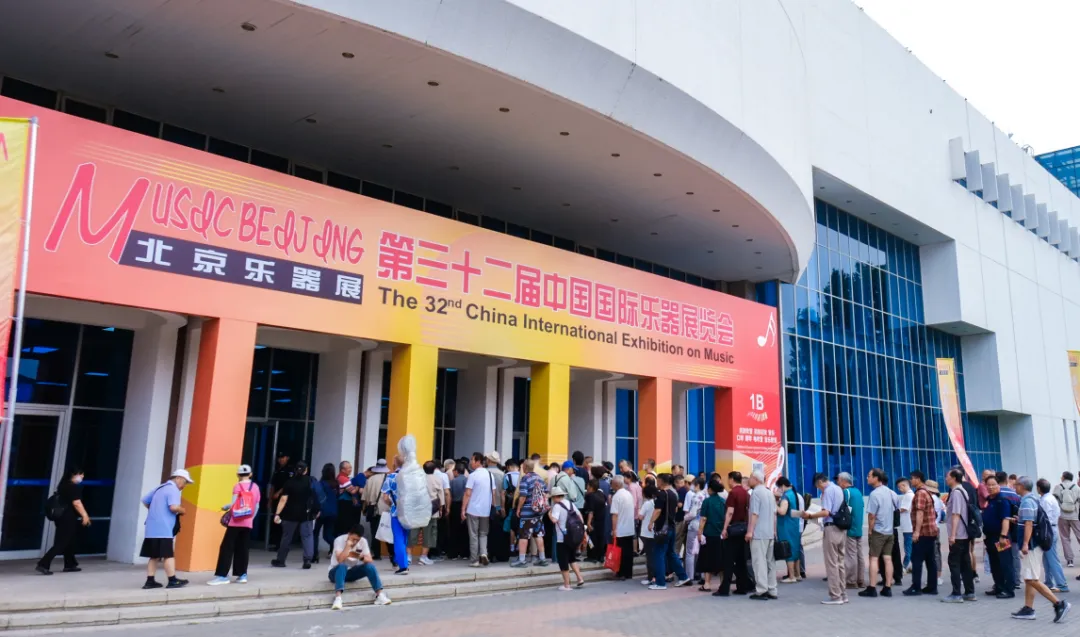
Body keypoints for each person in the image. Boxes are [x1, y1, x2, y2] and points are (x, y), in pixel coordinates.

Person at [1011, 476, 1071, 623]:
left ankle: (1059, 604)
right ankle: (1028, 608)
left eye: (1016, 484)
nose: (1014, 487)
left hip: (1031, 546)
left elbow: (1029, 524)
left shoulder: (1027, 501)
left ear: (1022, 486)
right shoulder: (1032, 499)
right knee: (1030, 577)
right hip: (1034, 544)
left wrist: (1025, 543)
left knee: (1032, 579)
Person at [208, 464, 261, 585]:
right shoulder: (255, 487)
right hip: (247, 522)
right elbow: (257, 505)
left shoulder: (238, 486)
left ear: (238, 475)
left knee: (227, 547)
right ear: (250, 474)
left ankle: (222, 575)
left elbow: (233, 505)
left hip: (235, 522)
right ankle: (242, 575)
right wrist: (250, 519)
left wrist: (226, 508)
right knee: (243, 548)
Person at [140, 469, 193, 589]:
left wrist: (156, 510)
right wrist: (182, 510)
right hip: (164, 528)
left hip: (151, 528)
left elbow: (145, 500)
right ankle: (172, 580)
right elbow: (173, 507)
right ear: (178, 478)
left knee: (154, 555)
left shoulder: (159, 488)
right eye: (185, 482)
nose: (184, 486)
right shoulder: (173, 489)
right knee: (168, 555)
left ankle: (150, 581)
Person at [801, 472, 847, 605]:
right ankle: (843, 594)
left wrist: (810, 516)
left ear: (820, 482)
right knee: (840, 562)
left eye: (818, 487)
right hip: (841, 528)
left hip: (831, 528)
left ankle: (835, 596)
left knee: (831, 563)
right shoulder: (838, 488)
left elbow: (826, 512)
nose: (819, 489)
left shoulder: (828, 491)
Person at [37, 467, 90, 575]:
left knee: (69, 540)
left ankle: (70, 564)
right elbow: (77, 503)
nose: (82, 477)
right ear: (73, 475)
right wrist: (85, 515)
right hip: (67, 517)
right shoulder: (72, 487)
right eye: (80, 474)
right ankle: (43, 564)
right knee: (61, 542)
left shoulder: (63, 485)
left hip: (62, 517)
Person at [328, 524, 391, 609]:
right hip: (335, 572)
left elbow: (370, 560)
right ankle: (338, 598)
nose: (355, 542)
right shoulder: (339, 540)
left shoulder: (363, 541)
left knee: (370, 566)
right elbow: (340, 560)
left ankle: (380, 595)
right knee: (342, 566)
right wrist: (347, 546)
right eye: (353, 539)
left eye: (357, 540)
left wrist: (356, 555)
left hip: (351, 572)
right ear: (349, 534)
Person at [648, 473, 691, 590]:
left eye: (658, 480)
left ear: (661, 481)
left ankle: (660, 583)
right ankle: (683, 576)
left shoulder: (661, 494)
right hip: (671, 527)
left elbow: (657, 510)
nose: (657, 483)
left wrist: (651, 522)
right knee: (671, 553)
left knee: (659, 554)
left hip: (662, 528)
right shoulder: (673, 494)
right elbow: (676, 509)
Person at [860, 468, 896, 598]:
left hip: (878, 530)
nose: (867, 478)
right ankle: (888, 587)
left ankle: (872, 587)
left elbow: (872, 515)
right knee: (888, 558)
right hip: (889, 531)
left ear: (876, 478)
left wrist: (870, 530)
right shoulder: (891, 492)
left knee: (873, 558)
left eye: (869, 476)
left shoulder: (875, 494)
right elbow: (896, 508)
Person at [272, 460, 316, 569]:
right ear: (306, 470)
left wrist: (277, 513)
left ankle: (281, 560)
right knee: (307, 536)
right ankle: (307, 560)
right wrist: (316, 510)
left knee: (286, 537)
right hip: (307, 513)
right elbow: (316, 497)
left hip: (289, 514)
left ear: (295, 470)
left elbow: (283, 499)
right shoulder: (311, 481)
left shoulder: (289, 482)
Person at [941, 468, 976, 602]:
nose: (946, 479)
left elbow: (956, 514)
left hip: (959, 534)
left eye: (947, 477)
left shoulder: (956, 492)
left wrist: (953, 535)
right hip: (964, 534)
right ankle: (969, 592)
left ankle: (956, 593)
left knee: (954, 563)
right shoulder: (963, 491)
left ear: (954, 478)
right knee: (965, 563)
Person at [902, 470, 938, 597]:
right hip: (931, 531)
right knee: (930, 560)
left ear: (918, 479)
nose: (911, 481)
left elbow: (920, 513)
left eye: (912, 478)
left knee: (916, 559)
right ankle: (932, 587)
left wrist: (916, 532)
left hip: (923, 532)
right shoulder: (927, 491)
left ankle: (916, 587)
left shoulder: (920, 493)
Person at [717, 471, 752, 596]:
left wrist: (725, 528)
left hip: (733, 529)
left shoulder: (733, 493)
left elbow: (730, 512)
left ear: (731, 479)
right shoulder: (746, 493)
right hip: (743, 528)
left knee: (728, 560)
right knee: (741, 560)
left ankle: (724, 588)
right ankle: (742, 587)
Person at [511, 458, 550, 567]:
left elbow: (523, 496)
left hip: (528, 512)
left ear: (524, 467)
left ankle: (522, 560)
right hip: (539, 512)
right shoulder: (539, 478)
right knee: (538, 534)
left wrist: (518, 509)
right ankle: (542, 558)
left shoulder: (525, 478)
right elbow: (546, 493)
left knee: (523, 535)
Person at [982, 474, 1015, 599]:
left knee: (1005, 563)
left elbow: (1005, 519)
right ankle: (999, 586)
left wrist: (1003, 536)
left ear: (998, 485)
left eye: (993, 485)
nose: (991, 487)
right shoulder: (989, 499)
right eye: (988, 485)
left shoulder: (1002, 500)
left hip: (1001, 537)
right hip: (990, 537)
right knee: (995, 563)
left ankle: (1009, 589)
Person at [746, 470, 778, 600]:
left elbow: (755, 513)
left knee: (759, 562)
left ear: (756, 479)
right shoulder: (769, 493)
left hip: (759, 533)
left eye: (750, 477)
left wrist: (750, 531)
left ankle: (761, 589)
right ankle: (772, 589)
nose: (749, 480)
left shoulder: (756, 493)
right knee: (770, 562)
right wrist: (774, 531)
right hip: (769, 532)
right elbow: (774, 514)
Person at [549, 486, 586, 590]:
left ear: (555, 497)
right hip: (572, 536)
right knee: (572, 558)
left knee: (563, 561)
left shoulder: (557, 506)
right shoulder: (570, 504)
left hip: (562, 538)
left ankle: (567, 585)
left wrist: (549, 514)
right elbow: (579, 516)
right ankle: (580, 578)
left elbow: (554, 520)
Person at [1037, 478, 1069, 592]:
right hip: (1052, 529)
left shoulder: (1045, 500)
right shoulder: (1050, 498)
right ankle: (1049, 582)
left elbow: (1045, 518)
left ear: (1039, 488)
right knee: (1047, 558)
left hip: (1048, 530)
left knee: (1052, 558)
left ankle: (1062, 584)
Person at [462, 451, 493, 567]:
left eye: (472, 460)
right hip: (485, 510)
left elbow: (467, 493)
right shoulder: (489, 475)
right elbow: (493, 492)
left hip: (473, 509)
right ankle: (483, 553)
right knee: (483, 534)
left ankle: (474, 560)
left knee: (473, 534)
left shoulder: (473, 475)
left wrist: (463, 509)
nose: (471, 462)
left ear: (478, 461)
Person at [412, 461, 446, 566]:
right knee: (429, 533)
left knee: (413, 532)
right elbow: (441, 496)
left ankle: (408, 556)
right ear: (434, 469)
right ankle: (423, 557)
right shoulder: (437, 479)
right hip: (432, 510)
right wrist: (441, 509)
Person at [381, 455, 410, 574]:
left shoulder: (391, 477)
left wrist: (391, 504)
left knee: (398, 538)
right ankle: (404, 561)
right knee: (405, 538)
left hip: (396, 511)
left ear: (395, 463)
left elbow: (385, 497)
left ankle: (403, 566)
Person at [697, 478, 727, 592]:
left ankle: (707, 584)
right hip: (720, 533)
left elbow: (703, 518)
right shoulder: (723, 501)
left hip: (709, 533)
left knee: (707, 558)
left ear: (710, 489)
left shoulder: (707, 501)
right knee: (721, 559)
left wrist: (699, 532)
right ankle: (723, 583)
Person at [838, 472, 866, 590]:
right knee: (859, 554)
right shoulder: (858, 492)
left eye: (839, 481)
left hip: (850, 527)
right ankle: (861, 580)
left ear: (844, 481)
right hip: (858, 526)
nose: (838, 483)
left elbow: (841, 508)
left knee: (850, 554)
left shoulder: (846, 492)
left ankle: (851, 580)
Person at [609, 475, 636, 580]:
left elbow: (614, 515)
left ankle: (621, 573)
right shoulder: (628, 494)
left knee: (620, 552)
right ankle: (628, 573)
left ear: (615, 484)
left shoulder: (616, 496)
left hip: (620, 528)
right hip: (629, 528)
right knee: (628, 552)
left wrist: (614, 529)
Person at [775, 477, 801, 584]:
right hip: (794, 525)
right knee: (795, 548)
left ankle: (791, 576)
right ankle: (798, 574)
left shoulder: (786, 496)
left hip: (786, 526)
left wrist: (774, 503)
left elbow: (782, 511)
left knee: (787, 548)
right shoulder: (794, 494)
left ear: (782, 486)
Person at [1052, 471, 1080, 568]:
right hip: (1075, 516)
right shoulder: (1077, 488)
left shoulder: (1058, 487)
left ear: (1063, 477)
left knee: (1065, 538)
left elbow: (1054, 502)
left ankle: (1069, 560)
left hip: (1062, 516)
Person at [362, 460, 389, 560]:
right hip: (387, 509)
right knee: (387, 531)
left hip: (373, 509)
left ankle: (377, 553)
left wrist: (364, 509)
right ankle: (392, 553)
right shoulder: (389, 478)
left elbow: (365, 497)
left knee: (374, 531)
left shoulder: (370, 479)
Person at [313, 463, 339, 563]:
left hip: (321, 512)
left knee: (315, 533)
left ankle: (314, 555)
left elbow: (318, 498)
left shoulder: (321, 484)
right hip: (333, 512)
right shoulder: (336, 484)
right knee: (327, 535)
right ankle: (338, 546)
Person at [268, 451, 293, 550]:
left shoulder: (290, 470)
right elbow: (272, 485)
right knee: (276, 522)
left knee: (284, 522)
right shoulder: (277, 470)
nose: (281, 460)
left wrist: (278, 493)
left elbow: (288, 484)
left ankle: (283, 545)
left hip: (285, 500)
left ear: (287, 458)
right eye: (279, 458)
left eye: (283, 457)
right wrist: (270, 500)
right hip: (276, 500)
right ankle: (277, 544)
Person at [683, 477, 706, 582]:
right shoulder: (706, 496)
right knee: (701, 551)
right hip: (703, 525)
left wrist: (685, 518)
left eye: (693, 484)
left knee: (690, 552)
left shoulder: (696, 497)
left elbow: (692, 513)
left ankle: (689, 576)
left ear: (697, 485)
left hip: (694, 525)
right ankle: (702, 575)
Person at [583, 478, 608, 563]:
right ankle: (600, 555)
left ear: (591, 486)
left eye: (587, 485)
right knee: (600, 538)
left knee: (591, 538)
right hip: (601, 520)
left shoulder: (591, 496)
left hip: (593, 520)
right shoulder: (601, 494)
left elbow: (591, 511)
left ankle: (592, 555)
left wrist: (588, 522)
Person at [447, 460, 468, 560]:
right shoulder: (467, 480)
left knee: (454, 530)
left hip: (455, 505)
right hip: (465, 506)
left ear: (456, 471)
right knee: (464, 530)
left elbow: (450, 495)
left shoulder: (452, 482)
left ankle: (453, 553)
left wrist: (448, 507)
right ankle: (465, 553)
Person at [639, 484, 658, 586]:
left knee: (649, 556)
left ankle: (651, 577)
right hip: (656, 531)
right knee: (655, 555)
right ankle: (656, 576)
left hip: (647, 532)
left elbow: (640, 517)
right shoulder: (657, 502)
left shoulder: (646, 504)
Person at [897, 478, 915, 572]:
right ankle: (913, 566)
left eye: (899, 487)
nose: (899, 489)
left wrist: (892, 512)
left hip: (908, 527)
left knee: (908, 548)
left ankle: (904, 567)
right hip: (908, 526)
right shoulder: (911, 495)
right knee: (910, 547)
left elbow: (903, 509)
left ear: (904, 485)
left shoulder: (908, 496)